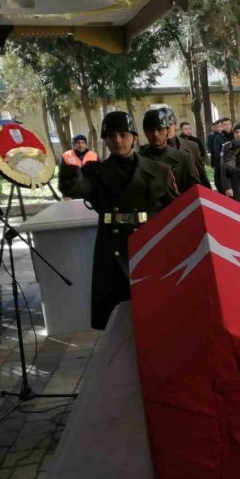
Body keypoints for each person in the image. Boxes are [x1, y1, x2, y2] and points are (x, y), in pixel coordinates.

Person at [61, 111, 178, 330]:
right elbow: (79, 188)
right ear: (105, 139)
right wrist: (70, 176)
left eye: (123, 134)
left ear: (134, 137)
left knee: (156, 315)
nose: (117, 140)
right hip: (112, 250)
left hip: (149, 247)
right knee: (119, 318)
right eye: (111, 135)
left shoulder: (160, 171)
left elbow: (176, 212)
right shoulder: (94, 172)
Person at [139, 108, 199, 194]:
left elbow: (195, 191)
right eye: (150, 130)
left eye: (160, 129)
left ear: (168, 130)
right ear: (145, 132)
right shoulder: (139, 160)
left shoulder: (184, 158)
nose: (155, 134)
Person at [164, 108, 210, 189]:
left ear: (175, 126)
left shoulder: (192, 145)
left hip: (189, 189)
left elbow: (201, 171)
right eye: (163, 126)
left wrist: (208, 192)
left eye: (170, 125)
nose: (168, 129)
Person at [221, 121, 240, 200]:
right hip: (236, 183)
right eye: (236, 132)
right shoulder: (227, 146)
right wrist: (227, 186)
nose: (239, 134)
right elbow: (224, 167)